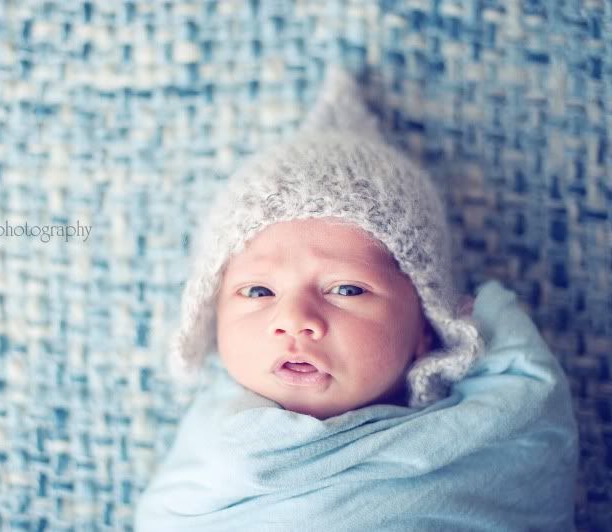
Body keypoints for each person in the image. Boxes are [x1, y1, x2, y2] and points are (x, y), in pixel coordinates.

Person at [135, 66, 578, 531]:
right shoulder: (211, 450)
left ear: (426, 330)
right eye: (259, 290)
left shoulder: (487, 439)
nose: (294, 319)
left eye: (346, 289)